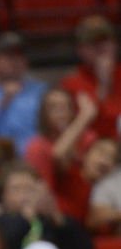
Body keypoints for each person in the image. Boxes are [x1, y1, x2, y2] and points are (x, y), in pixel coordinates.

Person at [0, 162, 93, 249]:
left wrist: (57, 217)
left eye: (30, 189)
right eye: (17, 189)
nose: (24, 195)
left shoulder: (50, 221)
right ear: (3, 195)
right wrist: (27, 216)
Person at [24, 87, 98, 221]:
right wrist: (84, 117)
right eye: (53, 107)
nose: (61, 112)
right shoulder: (38, 146)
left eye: (66, 106)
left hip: (91, 205)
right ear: (43, 114)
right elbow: (58, 155)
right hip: (57, 212)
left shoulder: (88, 139)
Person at [61, 15, 121, 141]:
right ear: (80, 50)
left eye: (105, 40)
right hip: (95, 150)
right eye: (93, 42)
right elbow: (92, 126)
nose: (100, 47)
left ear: (115, 45)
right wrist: (103, 84)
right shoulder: (71, 83)